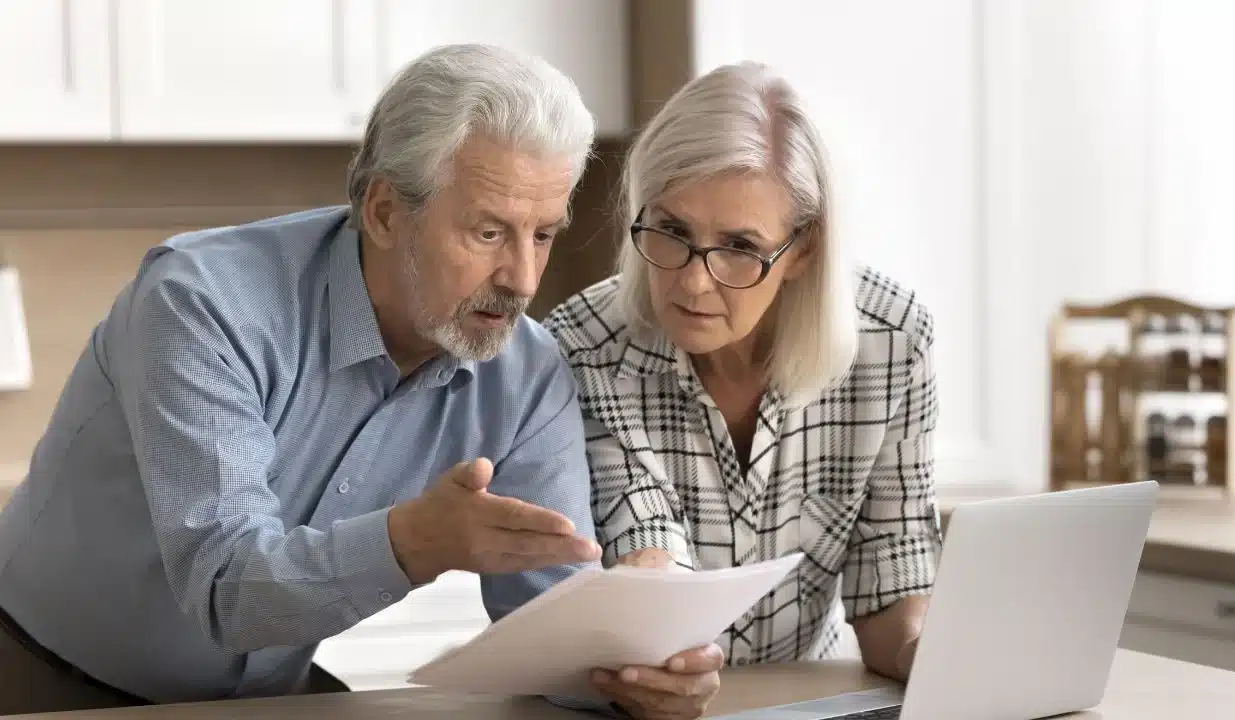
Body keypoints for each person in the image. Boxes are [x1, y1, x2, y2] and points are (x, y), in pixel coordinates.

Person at [0, 44, 717, 717]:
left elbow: (554, 626)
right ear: (382, 212)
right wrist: (415, 543)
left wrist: (641, 665)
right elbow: (226, 589)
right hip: (42, 679)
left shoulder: (526, 372)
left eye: (544, 234)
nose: (524, 279)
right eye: (489, 232)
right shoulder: (205, 303)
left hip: (268, 699)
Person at [544, 60, 944, 708]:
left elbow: (892, 589)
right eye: (671, 231)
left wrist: (932, 651)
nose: (694, 282)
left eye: (739, 246)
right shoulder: (584, 347)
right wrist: (665, 667)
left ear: (805, 249)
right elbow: (647, 554)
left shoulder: (893, 342)